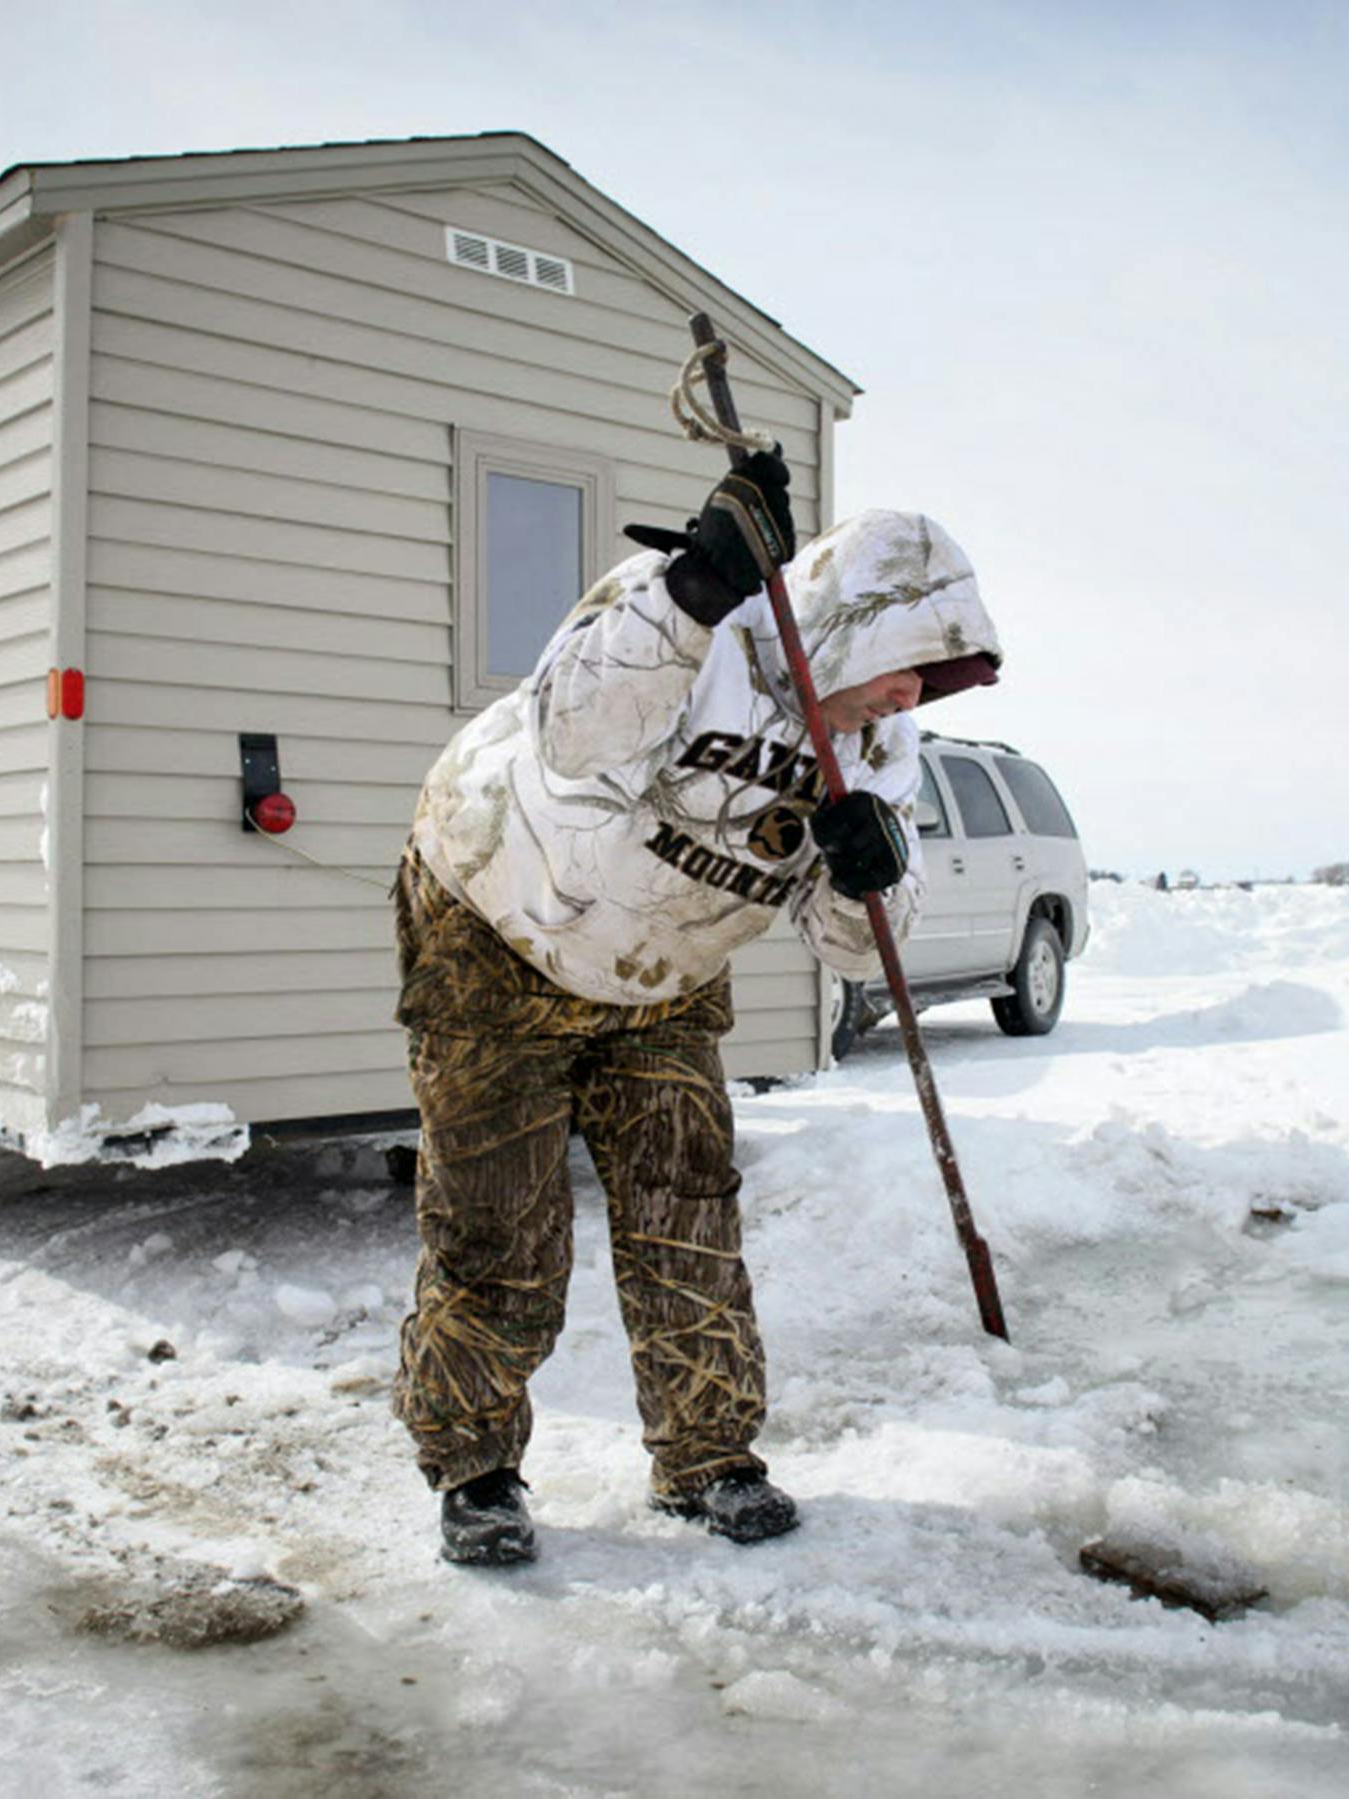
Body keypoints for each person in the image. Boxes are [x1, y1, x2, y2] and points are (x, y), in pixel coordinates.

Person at [391, 449, 1004, 1565]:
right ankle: (475, 1469)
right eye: (918, 659)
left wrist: (874, 873)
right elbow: (571, 734)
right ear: (856, 627)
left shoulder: (874, 745)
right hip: (497, 923)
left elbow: (847, 946)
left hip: (661, 973)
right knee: (499, 1221)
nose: (922, 691)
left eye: (946, 671)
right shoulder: (694, 624)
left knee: (689, 1209)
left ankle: (707, 1457)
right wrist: (689, 596)